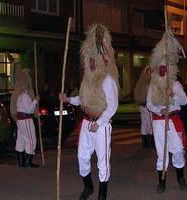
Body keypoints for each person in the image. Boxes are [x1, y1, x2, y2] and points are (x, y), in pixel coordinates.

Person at [59, 24, 119, 200]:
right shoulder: (86, 80)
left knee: (103, 162)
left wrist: (99, 124)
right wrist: (68, 99)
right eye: (89, 58)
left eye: (94, 57)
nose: (91, 61)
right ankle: (88, 186)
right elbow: (82, 99)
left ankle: (102, 195)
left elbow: (112, 105)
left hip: (101, 125)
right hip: (86, 123)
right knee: (82, 157)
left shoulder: (107, 79)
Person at [146, 26, 187, 193]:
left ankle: (180, 177)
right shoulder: (153, 85)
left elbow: (185, 101)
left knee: (178, 151)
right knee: (161, 154)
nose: (163, 72)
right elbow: (149, 104)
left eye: (165, 69)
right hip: (158, 121)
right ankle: (162, 182)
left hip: (174, 120)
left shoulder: (176, 84)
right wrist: (159, 111)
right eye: (160, 69)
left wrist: (173, 95)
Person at [9, 55, 40, 168]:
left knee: (20, 140)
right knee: (31, 140)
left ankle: (21, 162)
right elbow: (29, 110)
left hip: (19, 120)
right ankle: (28, 162)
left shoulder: (18, 95)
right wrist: (35, 101)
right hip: (26, 119)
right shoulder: (25, 96)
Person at [134, 65, 153, 148]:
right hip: (148, 105)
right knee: (150, 123)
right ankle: (150, 142)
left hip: (141, 105)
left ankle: (144, 142)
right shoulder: (149, 83)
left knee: (144, 124)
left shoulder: (140, 82)